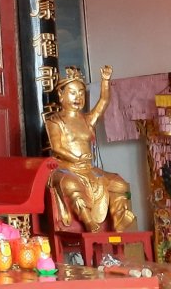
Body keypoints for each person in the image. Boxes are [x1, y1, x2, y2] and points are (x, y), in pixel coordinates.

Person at [46, 65, 137, 232]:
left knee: (119, 183)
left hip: (89, 168)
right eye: (72, 93)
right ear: (61, 95)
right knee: (72, 186)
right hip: (67, 168)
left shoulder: (87, 120)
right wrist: (75, 158)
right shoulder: (55, 121)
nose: (78, 97)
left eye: (81, 93)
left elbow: (103, 102)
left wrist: (105, 81)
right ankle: (87, 220)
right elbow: (56, 147)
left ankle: (119, 219)